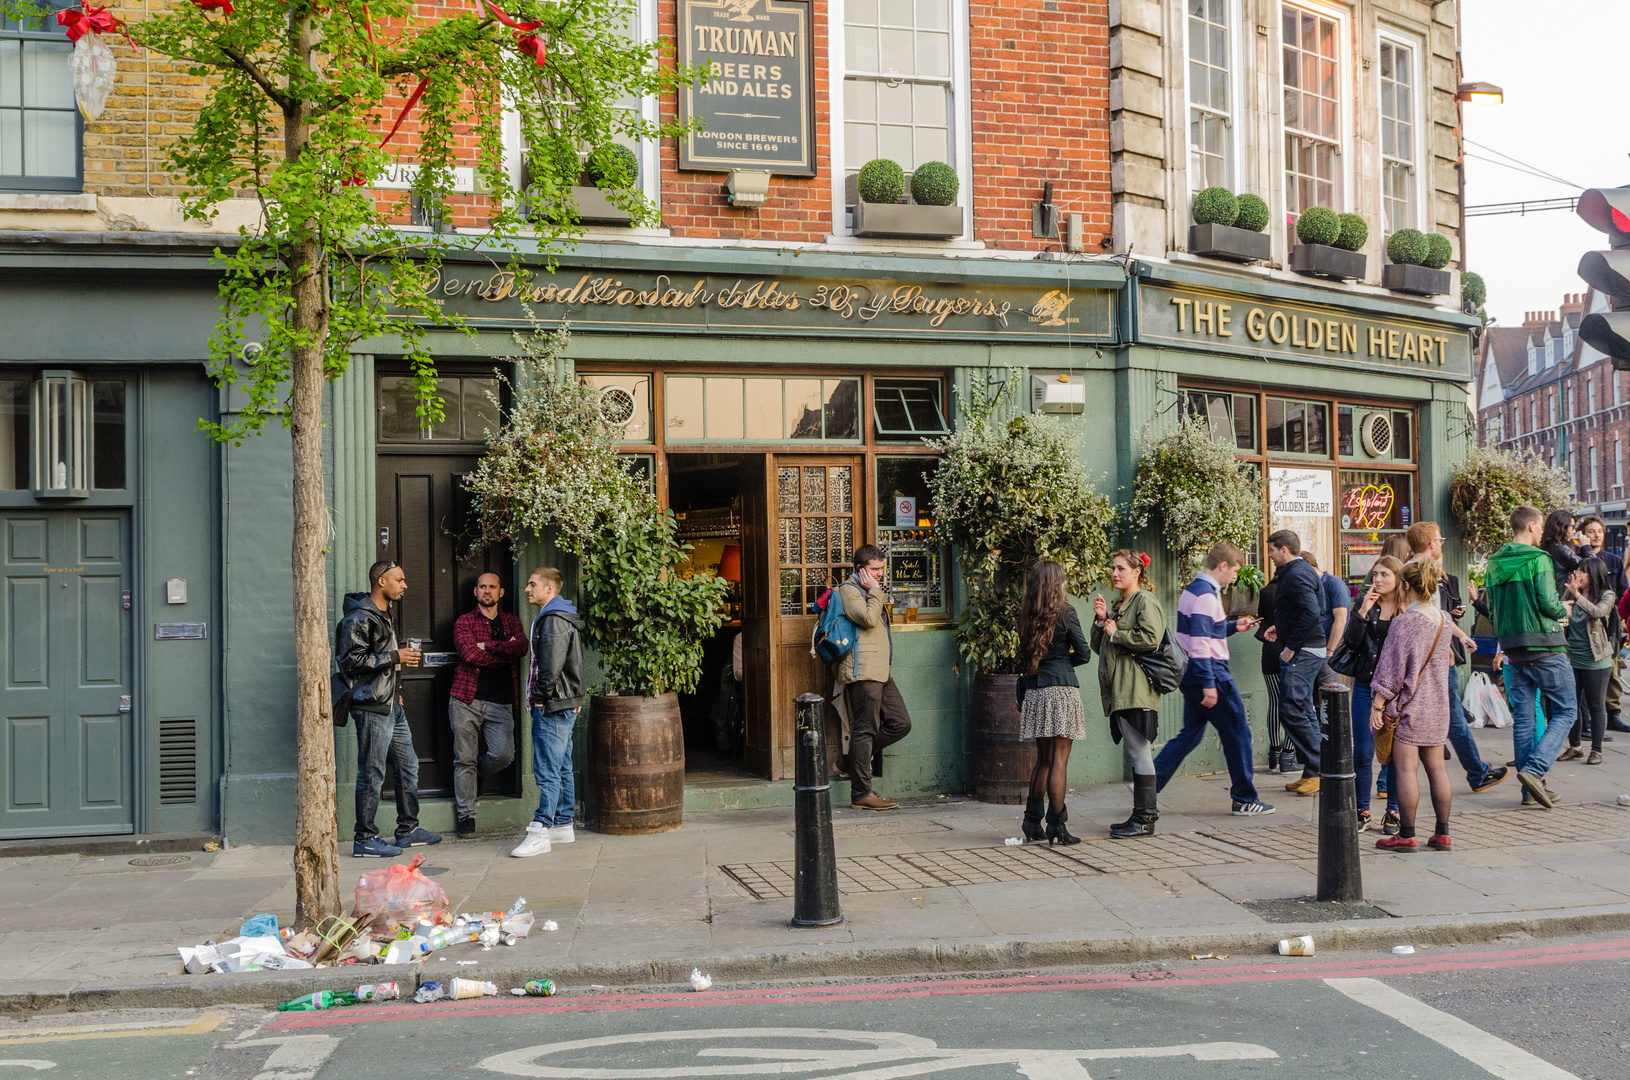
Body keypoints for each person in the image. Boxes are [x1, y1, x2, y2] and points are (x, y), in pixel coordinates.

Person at [1154, 543, 1274, 816]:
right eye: (1234, 571)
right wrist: (1209, 682)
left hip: (1191, 674)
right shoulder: (1207, 596)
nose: (1234, 577)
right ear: (1223, 566)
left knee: (1189, 736)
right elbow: (1200, 642)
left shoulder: (1192, 590)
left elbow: (1205, 630)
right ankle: (1244, 798)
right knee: (1238, 732)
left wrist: (1232, 626)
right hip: (1211, 674)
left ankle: (1148, 787)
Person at [337, 561, 441, 858]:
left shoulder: (385, 614)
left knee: (408, 766)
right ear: (381, 582)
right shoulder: (359, 617)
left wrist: (398, 692)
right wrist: (396, 654)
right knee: (372, 773)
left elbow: (387, 665)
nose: (404, 585)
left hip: (391, 704)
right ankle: (364, 839)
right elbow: (350, 662)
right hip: (371, 706)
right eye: (400, 580)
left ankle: (408, 829)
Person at [1404, 521, 1507, 797]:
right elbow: (1427, 618)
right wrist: (1447, 644)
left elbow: (1437, 617)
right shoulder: (1422, 575)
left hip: (1429, 654)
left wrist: (1460, 635)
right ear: (1431, 544)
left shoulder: (1415, 571)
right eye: (1440, 540)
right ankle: (1477, 772)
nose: (1441, 544)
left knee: (1431, 716)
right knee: (1450, 717)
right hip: (1435, 658)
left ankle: (1476, 771)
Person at [1486, 505, 1577, 810]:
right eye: (1539, 527)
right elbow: (1548, 603)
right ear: (1533, 526)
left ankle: (1529, 791)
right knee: (1567, 710)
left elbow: (1493, 609)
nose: (1541, 533)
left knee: (1524, 719)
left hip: (1513, 647)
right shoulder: (1539, 559)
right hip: (1544, 645)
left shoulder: (1495, 563)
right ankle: (1535, 771)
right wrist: (1564, 608)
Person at [1369, 559, 1456, 853]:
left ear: (1405, 585)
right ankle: (1442, 833)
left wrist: (1378, 705)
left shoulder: (1405, 622)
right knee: (1437, 769)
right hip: (1438, 705)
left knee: (1406, 769)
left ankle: (1407, 834)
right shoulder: (1444, 619)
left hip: (1410, 707)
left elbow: (1391, 668)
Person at [1090, 551, 1167, 839]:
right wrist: (1102, 621)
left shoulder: (1145, 600)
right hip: (1121, 690)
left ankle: (1146, 819)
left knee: (1140, 753)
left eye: (1121, 568)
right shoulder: (1120, 604)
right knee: (1136, 753)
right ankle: (1139, 815)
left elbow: (1151, 639)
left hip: (1136, 690)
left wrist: (1116, 632)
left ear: (1137, 572)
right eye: (1113, 568)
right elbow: (1099, 647)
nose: (1114, 573)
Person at [511, 567, 586, 858]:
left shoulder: (553, 620)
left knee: (547, 771)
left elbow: (550, 668)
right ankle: (563, 824)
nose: (527, 589)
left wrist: (541, 699)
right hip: (562, 704)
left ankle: (541, 829)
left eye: (532, 584)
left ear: (549, 589)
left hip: (553, 705)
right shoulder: (556, 616)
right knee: (562, 765)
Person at [1015, 560, 1091, 844]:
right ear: (1056, 583)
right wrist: (1062, 662)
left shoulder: (1026, 615)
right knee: (1060, 760)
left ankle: (1031, 822)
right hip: (1060, 691)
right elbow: (1084, 653)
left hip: (1035, 691)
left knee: (1043, 760)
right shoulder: (1066, 613)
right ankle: (1057, 825)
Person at [449, 572, 527, 839]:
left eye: (492, 586)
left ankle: (476, 777)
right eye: (482, 587)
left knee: (504, 755)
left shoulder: (513, 622)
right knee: (464, 759)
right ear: (475, 592)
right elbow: (469, 654)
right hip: (465, 699)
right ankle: (466, 816)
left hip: (501, 702)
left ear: (500, 592)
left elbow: (522, 648)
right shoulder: (464, 622)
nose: (487, 591)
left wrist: (489, 646)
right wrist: (503, 651)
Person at [836, 545, 913, 812]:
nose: (880, 574)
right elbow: (868, 619)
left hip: (879, 670)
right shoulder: (849, 590)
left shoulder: (869, 591)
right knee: (865, 729)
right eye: (874, 569)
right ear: (859, 569)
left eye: (882, 569)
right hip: (862, 670)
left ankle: (850, 761)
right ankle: (861, 793)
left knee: (900, 723)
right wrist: (875, 592)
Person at [1342, 555, 1404, 832]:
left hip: (1396, 691)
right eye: (1375, 574)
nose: (1376, 580)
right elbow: (1351, 641)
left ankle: (1393, 810)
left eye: (1384, 575)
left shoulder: (1407, 609)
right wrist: (1362, 613)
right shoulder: (1367, 604)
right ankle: (1362, 810)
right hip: (1366, 685)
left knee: (1392, 754)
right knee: (1363, 751)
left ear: (1397, 579)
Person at [1263, 531, 1324, 794]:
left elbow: (1311, 612)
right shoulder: (1298, 572)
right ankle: (1314, 770)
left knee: (1291, 709)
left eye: (1272, 550)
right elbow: (1301, 610)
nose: (1269, 555)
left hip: (1304, 651)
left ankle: (1320, 768)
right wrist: (1281, 626)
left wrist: (1291, 646)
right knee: (1303, 708)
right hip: (1308, 647)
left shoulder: (1297, 574)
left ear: (1284, 549)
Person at [1561, 557, 1615, 766]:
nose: (1578, 574)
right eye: (1577, 570)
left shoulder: (1606, 595)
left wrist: (1576, 595)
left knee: (1596, 705)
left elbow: (1598, 612)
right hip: (1572, 658)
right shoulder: (1571, 592)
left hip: (1596, 660)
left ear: (1593, 574)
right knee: (1571, 704)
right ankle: (1575, 747)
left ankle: (1597, 750)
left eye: (1583, 571)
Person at [1579, 515, 1630, 735]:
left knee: (1612, 670)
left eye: (1599, 530)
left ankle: (1612, 714)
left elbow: (1622, 592)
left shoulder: (1613, 561)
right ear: (1582, 534)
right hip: (1584, 626)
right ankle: (1587, 718)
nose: (1596, 535)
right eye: (1591, 531)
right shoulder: (1578, 561)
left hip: (1609, 624)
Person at [1253, 575, 1296, 774]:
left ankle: (1274, 753)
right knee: (1291, 703)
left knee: (1274, 701)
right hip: (1290, 650)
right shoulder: (1295, 589)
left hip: (1269, 651)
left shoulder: (1266, 591)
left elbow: (1261, 616)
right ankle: (1288, 754)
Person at [1300, 549, 1349, 690]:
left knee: (1330, 697)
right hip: (1310, 651)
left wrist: (1330, 651)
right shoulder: (1308, 587)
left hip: (1328, 651)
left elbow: (1341, 619)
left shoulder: (1334, 584)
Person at [1540, 509, 1582, 596]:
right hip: (1563, 597)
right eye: (1573, 527)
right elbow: (1590, 567)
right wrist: (1586, 547)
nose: (1574, 532)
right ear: (1563, 526)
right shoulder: (1562, 550)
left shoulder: (1546, 547)